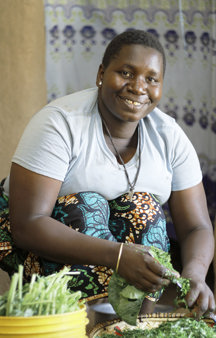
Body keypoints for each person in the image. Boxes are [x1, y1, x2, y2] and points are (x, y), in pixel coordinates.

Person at [0, 29, 214, 317]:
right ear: (101, 73)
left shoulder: (169, 137)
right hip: (21, 234)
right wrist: (118, 256)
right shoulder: (60, 123)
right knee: (88, 207)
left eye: (151, 79)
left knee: (145, 209)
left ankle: (134, 325)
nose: (138, 87)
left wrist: (195, 275)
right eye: (126, 72)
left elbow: (196, 227)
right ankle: (81, 326)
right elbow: (27, 224)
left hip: (104, 244)